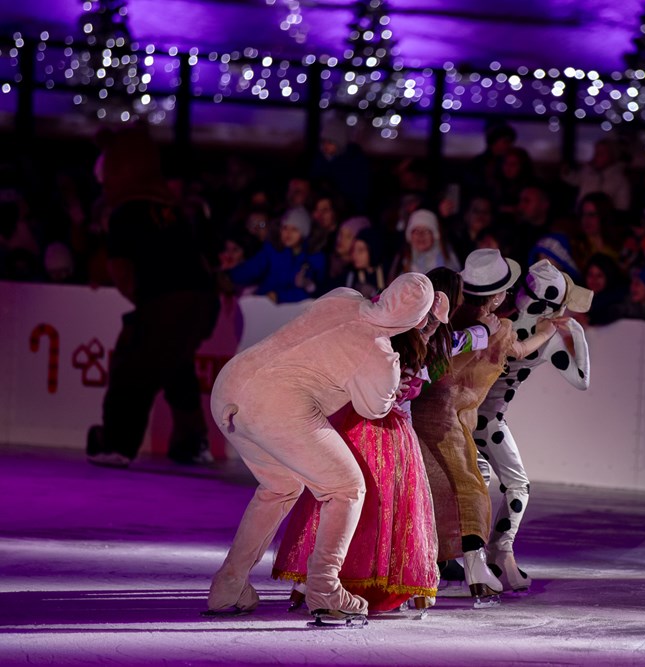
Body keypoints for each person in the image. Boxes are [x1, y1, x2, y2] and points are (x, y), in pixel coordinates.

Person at [204, 272, 435, 623]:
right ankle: (325, 588)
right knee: (346, 488)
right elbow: (374, 408)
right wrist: (393, 380)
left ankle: (229, 585)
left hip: (230, 388)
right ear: (418, 320)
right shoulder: (380, 354)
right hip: (276, 408)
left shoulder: (343, 296)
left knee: (280, 486)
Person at [271, 291, 452, 614]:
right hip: (371, 427)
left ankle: (316, 582)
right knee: (365, 502)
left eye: (435, 323)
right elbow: (378, 397)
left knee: (368, 503)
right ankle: (322, 580)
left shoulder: (395, 341)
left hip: (371, 427)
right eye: (429, 320)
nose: (430, 327)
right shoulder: (389, 343)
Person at [410, 249, 561, 603]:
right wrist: (547, 330)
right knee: (471, 491)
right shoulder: (500, 329)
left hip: (416, 413)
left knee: (430, 490)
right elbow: (520, 351)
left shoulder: (449, 317)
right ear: (495, 296)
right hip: (452, 419)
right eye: (503, 292)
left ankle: (432, 563)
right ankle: (476, 570)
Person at [85, 123, 220, 468]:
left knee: (132, 368)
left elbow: (120, 269)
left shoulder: (125, 212)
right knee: (175, 363)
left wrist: (145, 302)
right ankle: (192, 441)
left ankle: (117, 443)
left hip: (166, 299)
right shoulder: (170, 209)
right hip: (201, 298)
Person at [473, 260, 592, 592]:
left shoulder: (497, 318)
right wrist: (577, 334)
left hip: (463, 413)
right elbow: (581, 380)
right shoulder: (547, 335)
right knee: (518, 486)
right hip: (487, 420)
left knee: (476, 483)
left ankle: (467, 556)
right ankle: (499, 551)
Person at [226, 206, 326, 303]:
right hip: (266, 304)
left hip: (295, 310)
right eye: (284, 228)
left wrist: (279, 296)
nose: (288, 233)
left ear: (304, 232)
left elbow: (312, 291)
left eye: (294, 229)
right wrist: (228, 276)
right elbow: (252, 269)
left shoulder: (313, 258)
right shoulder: (272, 250)